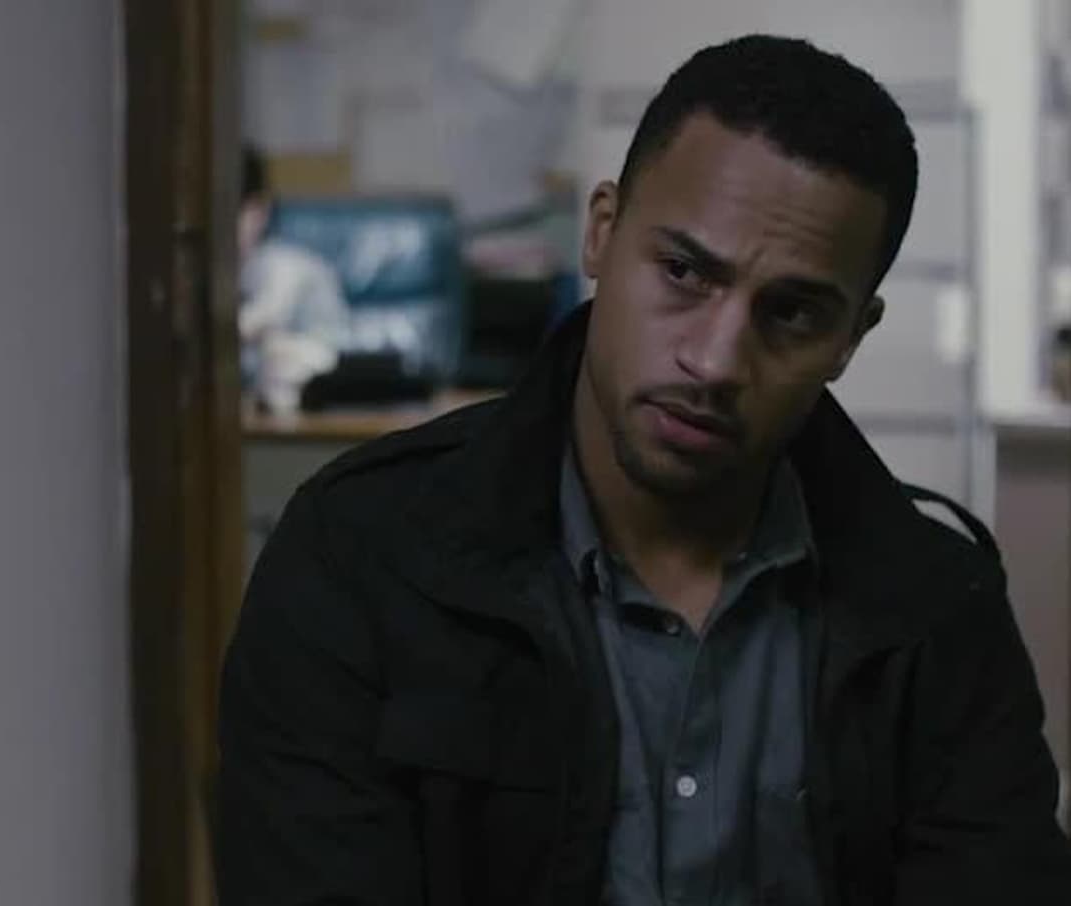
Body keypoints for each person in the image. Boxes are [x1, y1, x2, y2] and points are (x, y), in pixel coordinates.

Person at [217, 35, 1071, 906]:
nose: (715, 361)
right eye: (683, 271)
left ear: (852, 337)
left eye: (792, 313)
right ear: (601, 232)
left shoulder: (938, 608)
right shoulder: (359, 559)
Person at [237, 145, 349, 413]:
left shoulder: (284, 263)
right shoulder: (232, 274)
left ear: (260, 211)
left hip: (327, 392)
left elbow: (260, 318)